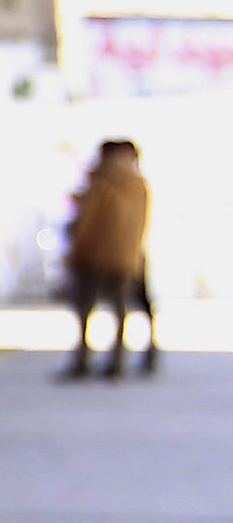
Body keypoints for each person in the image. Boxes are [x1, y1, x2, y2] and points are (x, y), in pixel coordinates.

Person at [62, 140, 151, 380]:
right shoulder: (138, 184)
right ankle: (117, 362)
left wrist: (74, 252)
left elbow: (86, 222)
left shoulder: (100, 182)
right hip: (125, 256)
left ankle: (82, 360)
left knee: (85, 308)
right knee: (119, 309)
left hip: (93, 255)